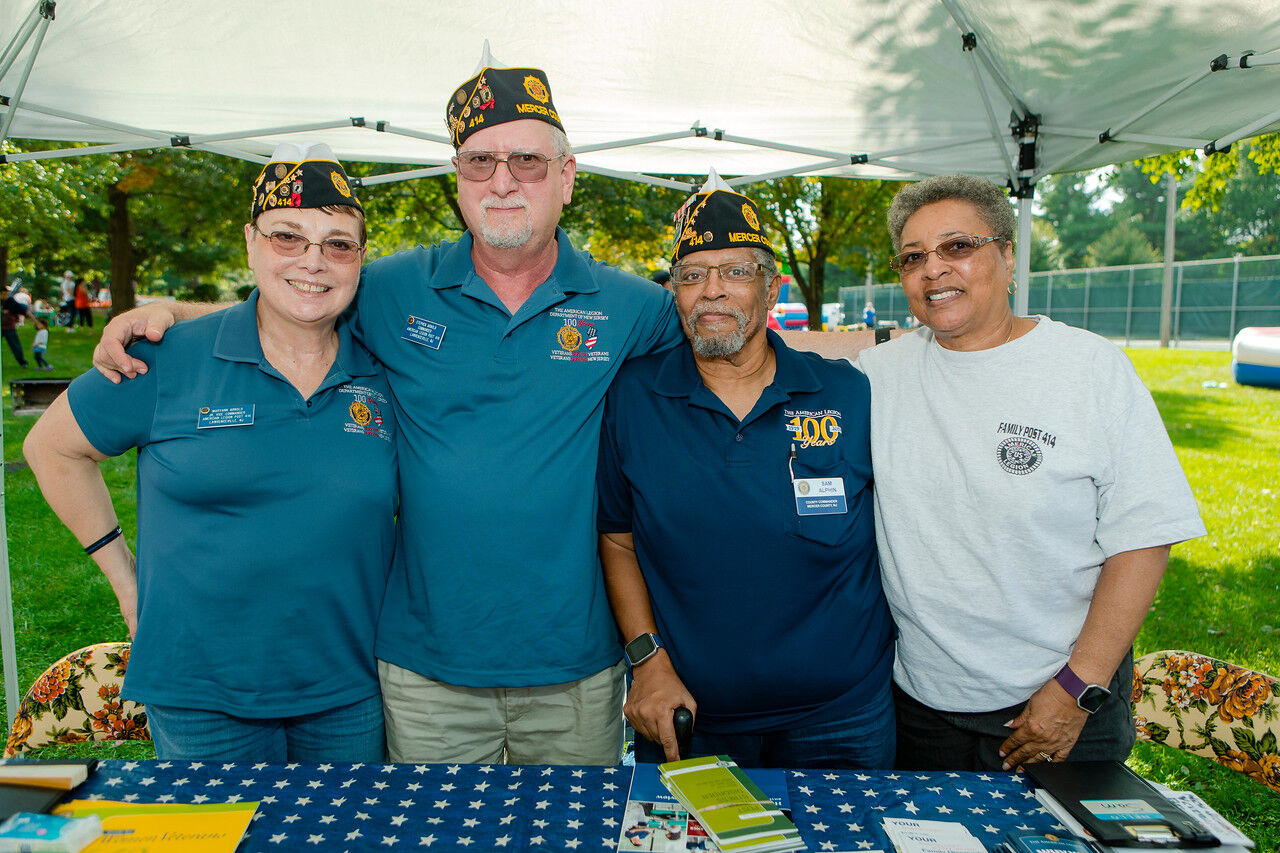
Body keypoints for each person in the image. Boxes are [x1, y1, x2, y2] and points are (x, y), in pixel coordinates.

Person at [90, 62, 682, 765]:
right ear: (457, 178)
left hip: (576, 669)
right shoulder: (394, 287)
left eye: (526, 160)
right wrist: (168, 317)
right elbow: (298, 299)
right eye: (479, 161)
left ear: (567, 176)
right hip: (425, 670)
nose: (502, 180)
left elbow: (727, 350)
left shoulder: (634, 308)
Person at [24, 143, 397, 761]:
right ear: (251, 242)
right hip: (201, 694)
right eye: (287, 237)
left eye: (338, 243)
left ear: (360, 259)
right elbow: (52, 449)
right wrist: (124, 580)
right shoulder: (167, 356)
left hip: (350, 688)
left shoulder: (386, 367)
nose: (314, 260)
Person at [854, 174, 1206, 772]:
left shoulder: (1089, 368)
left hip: (1062, 700)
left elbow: (1144, 539)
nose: (933, 270)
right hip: (920, 704)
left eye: (958, 247)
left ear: (1008, 254)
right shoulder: (876, 376)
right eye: (914, 257)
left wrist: (1079, 686)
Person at [598, 178, 895, 769]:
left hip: (844, 718)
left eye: (735, 272)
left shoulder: (847, 392)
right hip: (690, 718)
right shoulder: (633, 395)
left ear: (771, 287)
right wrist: (646, 659)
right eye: (691, 275)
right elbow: (616, 537)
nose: (711, 292)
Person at [2, 282, 30, 368]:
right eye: (3, 294)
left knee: (15, 345)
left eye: (6, 294)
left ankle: (22, 362)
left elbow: (22, 309)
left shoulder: (10, 300)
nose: (5, 295)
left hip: (9, 327)